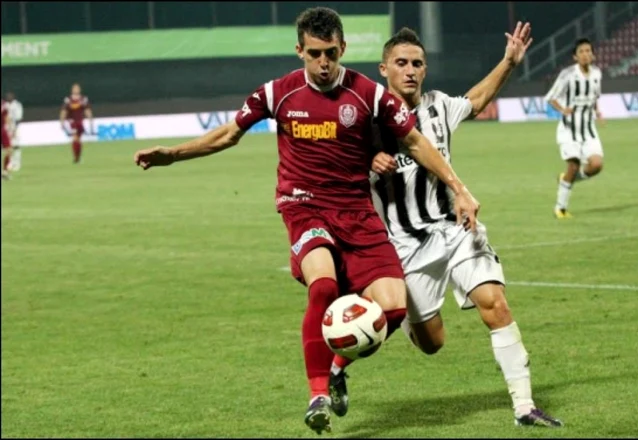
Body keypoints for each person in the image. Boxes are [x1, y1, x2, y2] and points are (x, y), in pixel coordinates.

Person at [132, 7, 480, 435]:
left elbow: (414, 140)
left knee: (392, 306)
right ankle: (316, 395)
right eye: (314, 53)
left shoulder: (368, 94)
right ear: (299, 50)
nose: (323, 63)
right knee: (324, 284)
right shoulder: (276, 94)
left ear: (343, 49)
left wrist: (459, 188)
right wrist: (173, 155)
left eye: (331, 53)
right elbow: (227, 134)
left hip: (356, 211)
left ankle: (335, 367)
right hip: (304, 207)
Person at [327, 25, 563, 428]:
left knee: (495, 304)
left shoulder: (438, 106)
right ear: (384, 69)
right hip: (404, 247)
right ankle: (338, 365)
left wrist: (508, 61)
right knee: (432, 344)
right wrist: (366, 163)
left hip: (455, 230)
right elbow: (335, 171)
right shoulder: (364, 121)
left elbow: (478, 97)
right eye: (401, 63)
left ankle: (524, 406)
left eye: (417, 63)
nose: (410, 70)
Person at [545, 38, 604, 219]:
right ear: (575, 56)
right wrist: (563, 109)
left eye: (588, 51)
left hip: (588, 129)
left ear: (592, 54)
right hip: (569, 129)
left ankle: (566, 179)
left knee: (596, 165)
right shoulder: (568, 74)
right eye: (581, 52)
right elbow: (551, 97)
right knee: (573, 164)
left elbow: (595, 97)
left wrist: (598, 112)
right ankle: (560, 208)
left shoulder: (596, 74)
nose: (585, 54)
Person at [59, 83, 94, 164]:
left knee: (78, 140)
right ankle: (76, 158)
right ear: (72, 90)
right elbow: (64, 111)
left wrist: (90, 120)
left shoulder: (83, 99)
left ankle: (78, 157)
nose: (76, 90)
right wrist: (62, 121)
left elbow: (87, 110)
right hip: (71, 121)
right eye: (75, 88)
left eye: (77, 88)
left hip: (80, 122)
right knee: (75, 138)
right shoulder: (68, 100)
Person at [5, 92, 23, 172]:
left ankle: (17, 163)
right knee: (8, 146)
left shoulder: (17, 105)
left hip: (14, 126)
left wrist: (15, 129)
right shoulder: (5, 105)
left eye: (10, 96)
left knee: (16, 145)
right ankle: (11, 162)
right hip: (6, 127)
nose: (8, 97)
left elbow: (18, 118)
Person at [1, 98, 11, 180]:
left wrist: (9, 128)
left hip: (2, 130)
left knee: (9, 151)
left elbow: (6, 116)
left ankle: (4, 171)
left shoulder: (3, 103)